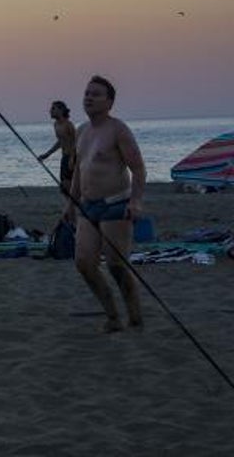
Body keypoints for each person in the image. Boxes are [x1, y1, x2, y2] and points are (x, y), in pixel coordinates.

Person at [62, 75, 147, 332]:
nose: (89, 97)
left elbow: (139, 169)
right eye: (87, 93)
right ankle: (112, 316)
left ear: (109, 102)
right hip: (87, 206)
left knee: (116, 265)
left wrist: (136, 202)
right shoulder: (81, 131)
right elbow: (80, 169)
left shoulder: (118, 129)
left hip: (115, 205)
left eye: (96, 94)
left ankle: (134, 316)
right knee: (84, 263)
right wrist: (70, 203)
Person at [38, 100, 77, 195]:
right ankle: (70, 206)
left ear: (61, 110)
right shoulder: (56, 125)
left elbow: (77, 142)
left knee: (70, 186)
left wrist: (73, 157)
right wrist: (47, 154)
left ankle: (74, 206)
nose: (50, 111)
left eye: (53, 109)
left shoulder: (68, 124)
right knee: (64, 187)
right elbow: (60, 142)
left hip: (73, 157)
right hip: (64, 157)